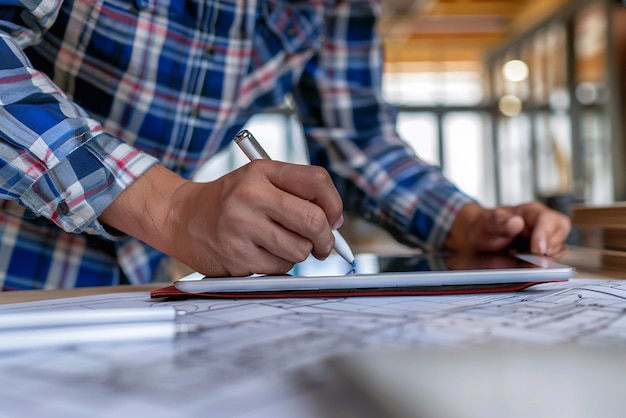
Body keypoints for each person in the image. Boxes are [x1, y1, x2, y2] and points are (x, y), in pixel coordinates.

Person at [0, 0, 570, 290]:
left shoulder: (336, 8)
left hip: (142, 294)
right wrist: (171, 207)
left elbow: (360, 140)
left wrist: (465, 224)